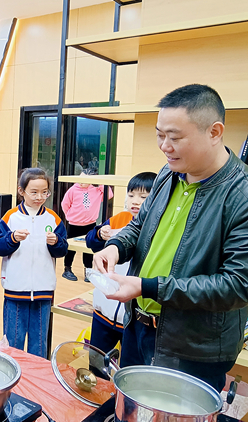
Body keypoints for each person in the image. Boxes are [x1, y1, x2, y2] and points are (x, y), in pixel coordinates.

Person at [93, 84, 248, 393]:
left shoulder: (240, 192)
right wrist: (115, 247)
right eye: (160, 135)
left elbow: (237, 285)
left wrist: (149, 287)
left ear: (214, 132)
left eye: (175, 138)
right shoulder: (168, 173)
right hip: (137, 326)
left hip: (193, 347)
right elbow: (140, 225)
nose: (165, 146)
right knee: (131, 405)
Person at [0, 168, 68, 358]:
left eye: (44, 192)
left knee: (39, 344)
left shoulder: (53, 218)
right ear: (21, 191)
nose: (39, 197)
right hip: (15, 288)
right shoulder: (11, 217)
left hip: (44, 290)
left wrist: (56, 242)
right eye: (34, 192)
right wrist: (12, 238)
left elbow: (62, 250)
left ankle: (37, 376)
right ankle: (13, 374)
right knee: (13, 342)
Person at [85, 172, 156, 357]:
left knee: (127, 365)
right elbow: (90, 241)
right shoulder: (120, 219)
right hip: (103, 309)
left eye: (143, 197)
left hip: (132, 317)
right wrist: (100, 234)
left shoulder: (158, 229)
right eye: (131, 195)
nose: (135, 201)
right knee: (97, 362)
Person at [61, 167, 113, 282]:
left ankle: (88, 271)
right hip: (74, 224)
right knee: (70, 248)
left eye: (85, 179)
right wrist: (69, 216)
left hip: (90, 224)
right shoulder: (73, 190)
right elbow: (65, 204)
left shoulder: (96, 190)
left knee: (88, 248)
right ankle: (67, 269)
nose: (81, 181)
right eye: (80, 178)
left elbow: (109, 194)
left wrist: (99, 182)